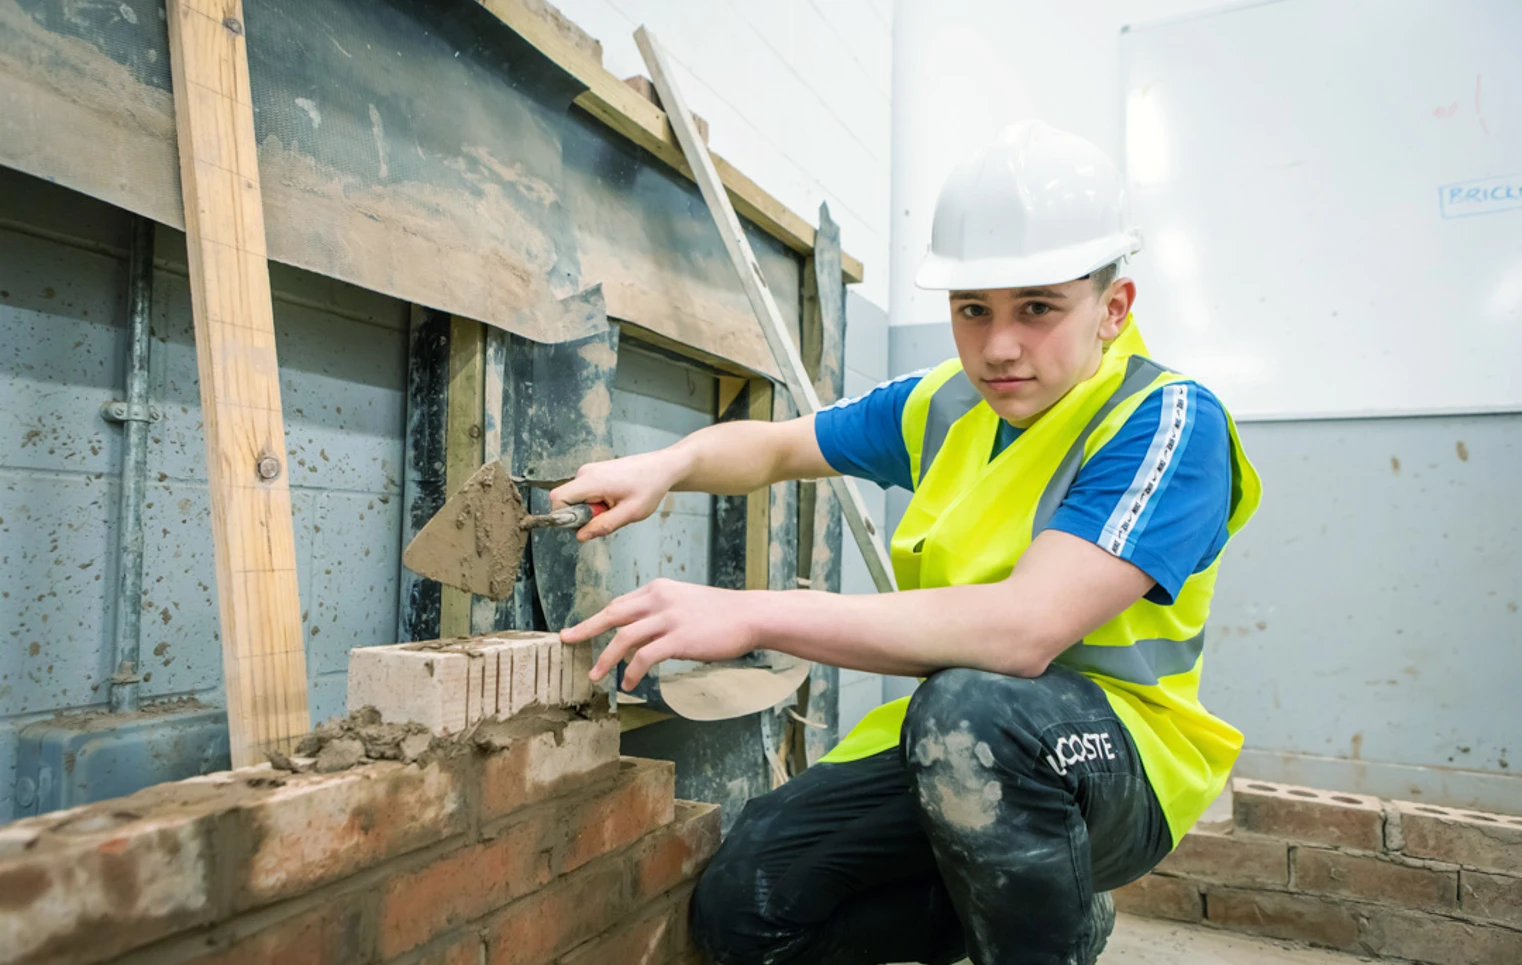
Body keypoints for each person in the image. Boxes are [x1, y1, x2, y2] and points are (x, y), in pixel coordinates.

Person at [555, 120, 1261, 965]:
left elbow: (1021, 632)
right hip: (960, 745)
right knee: (747, 903)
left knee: (975, 706)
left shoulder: (1167, 420)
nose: (998, 346)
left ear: (1113, 308)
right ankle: (1044, 910)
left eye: (1037, 308)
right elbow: (781, 446)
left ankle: (1050, 936)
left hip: (1115, 764)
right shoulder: (945, 403)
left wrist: (750, 615)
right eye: (973, 311)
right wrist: (666, 464)